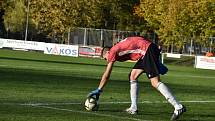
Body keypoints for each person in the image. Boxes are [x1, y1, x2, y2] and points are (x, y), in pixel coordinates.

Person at [87, 36, 186, 120]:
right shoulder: (117, 47)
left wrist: (99, 89)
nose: (107, 60)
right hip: (147, 50)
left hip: (147, 50)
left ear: (107, 52)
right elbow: (137, 40)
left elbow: (107, 74)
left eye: (105, 58)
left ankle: (178, 106)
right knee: (132, 76)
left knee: (155, 82)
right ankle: (133, 108)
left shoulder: (112, 51)